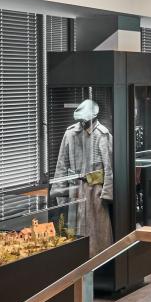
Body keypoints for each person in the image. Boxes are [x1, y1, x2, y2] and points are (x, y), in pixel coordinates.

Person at [53, 97, 113, 254]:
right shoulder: (70, 133)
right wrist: (60, 193)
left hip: (95, 191)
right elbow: (62, 164)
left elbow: (109, 167)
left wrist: (106, 194)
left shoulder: (103, 135)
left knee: (97, 233)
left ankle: (98, 266)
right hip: (74, 190)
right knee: (74, 231)